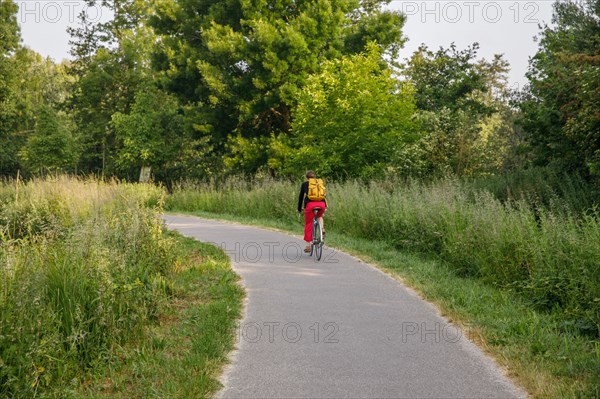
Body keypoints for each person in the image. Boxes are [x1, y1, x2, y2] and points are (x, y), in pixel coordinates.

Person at [297, 170, 327, 253]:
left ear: (307, 178)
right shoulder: (319, 183)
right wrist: (325, 206)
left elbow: (300, 197)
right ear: (314, 177)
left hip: (310, 206)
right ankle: (322, 229)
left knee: (309, 223)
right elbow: (323, 195)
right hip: (321, 205)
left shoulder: (305, 184)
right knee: (320, 216)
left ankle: (308, 246)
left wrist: (299, 209)